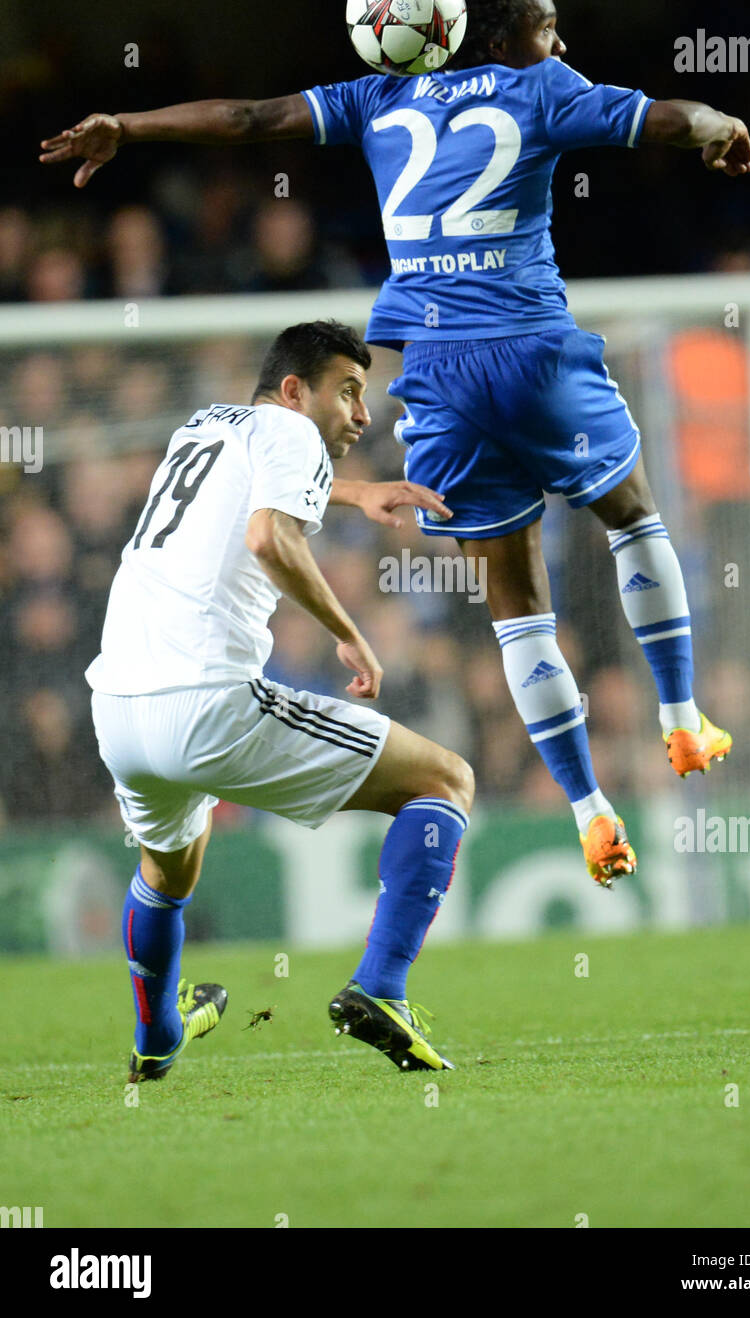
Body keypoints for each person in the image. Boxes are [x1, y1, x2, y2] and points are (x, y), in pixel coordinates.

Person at [41, 0, 750, 889]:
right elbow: (669, 120)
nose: (560, 35)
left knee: (514, 599)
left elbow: (250, 120)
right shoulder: (544, 86)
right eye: (548, 23)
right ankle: (680, 719)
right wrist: (715, 121)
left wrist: (129, 125)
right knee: (634, 514)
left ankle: (588, 809)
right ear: (502, 33)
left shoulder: (378, 97)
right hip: (532, 347)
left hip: (433, 375)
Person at [85, 319, 474, 1079]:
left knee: (168, 872)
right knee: (444, 780)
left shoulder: (204, 426)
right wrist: (349, 632)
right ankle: (381, 989)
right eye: (350, 392)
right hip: (205, 702)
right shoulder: (293, 432)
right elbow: (269, 537)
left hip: (120, 708)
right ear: (295, 390)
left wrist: (356, 493)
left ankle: (159, 1032)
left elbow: (249, 495)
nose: (363, 415)